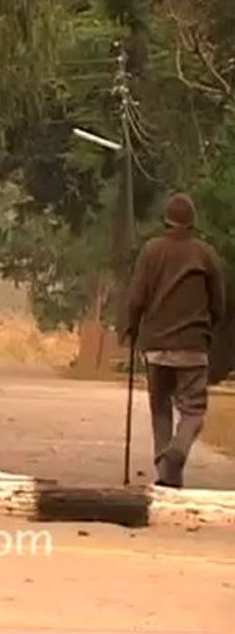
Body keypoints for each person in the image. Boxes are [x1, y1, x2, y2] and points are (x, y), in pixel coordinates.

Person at [123, 193, 226, 488]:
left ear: (166, 221)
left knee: (160, 408)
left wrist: (131, 328)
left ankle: (166, 468)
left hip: (155, 346)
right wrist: (208, 330)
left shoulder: (151, 251)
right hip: (192, 347)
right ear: (192, 222)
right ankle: (176, 454)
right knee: (193, 410)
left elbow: (136, 299)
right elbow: (218, 304)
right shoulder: (206, 255)